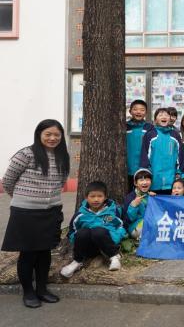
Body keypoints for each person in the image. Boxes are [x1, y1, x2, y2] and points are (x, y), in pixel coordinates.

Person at [1, 119, 70, 308]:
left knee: (45, 252)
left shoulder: (63, 156)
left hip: (51, 211)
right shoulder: (26, 154)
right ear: (39, 134)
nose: (52, 138)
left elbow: (62, 181)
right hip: (26, 213)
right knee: (28, 253)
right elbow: (8, 181)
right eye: (48, 134)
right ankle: (28, 292)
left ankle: (42, 289)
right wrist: (24, 199)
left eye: (56, 135)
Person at [61, 181, 126, 278]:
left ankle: (114, 257)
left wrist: (114, 238)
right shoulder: (81, 215)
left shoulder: (112, 212)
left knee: (98, 231)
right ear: (86, 197)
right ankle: (77, 261)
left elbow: (120, 226)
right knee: (83, 232)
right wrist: (78, 239)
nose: (96, 199)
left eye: (100, 196)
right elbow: (72, 231)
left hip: (107, 244)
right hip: (89, 248)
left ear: (105, 197)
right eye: (92, 196)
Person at [140, 108, 184, 195]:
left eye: (166, 115)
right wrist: (146, 173)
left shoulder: (175, 134)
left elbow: (180, 154)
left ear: (170, 119)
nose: (164, 117)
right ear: (155, 120)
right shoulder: (150, 134)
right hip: (154, 178)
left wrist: (179, 172)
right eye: (160, 115)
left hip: (171, 179)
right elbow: (145, 154)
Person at [126, 100, 154, 190]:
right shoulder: (125, 126)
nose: (138, 112)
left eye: (142, 110)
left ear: (146, 113)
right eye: (135, 109)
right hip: (127, 167)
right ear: (130, 111)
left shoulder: (149, 128)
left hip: (144, 168)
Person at [123, 168, 156, 239]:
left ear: (151, 182)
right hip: (135, 227)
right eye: (141, 180)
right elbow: (127, 220)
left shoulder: (151, 196)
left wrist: (155, 200)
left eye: (147, 180)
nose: (145, 182)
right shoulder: (130, 197)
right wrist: (133, 206)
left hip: (150, 223)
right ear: (135, 183)